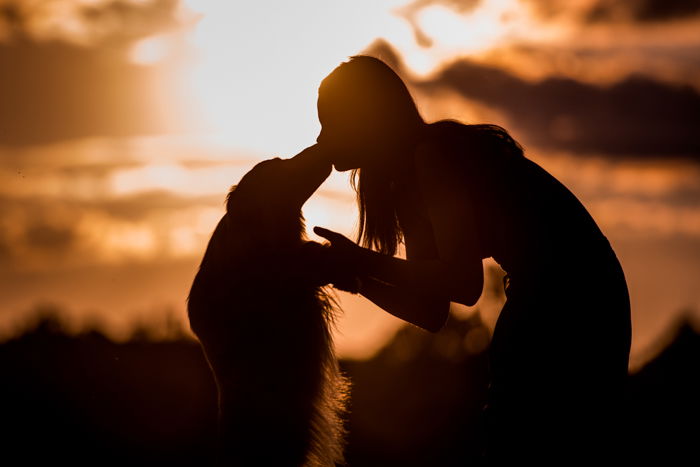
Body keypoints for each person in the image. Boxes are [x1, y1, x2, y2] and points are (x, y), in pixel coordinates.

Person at [311, 56, 632, 465]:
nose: (322, 138)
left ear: (365, 119)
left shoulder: (431, 157)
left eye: (330, 122)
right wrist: (357, 278)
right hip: (557, 290)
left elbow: (463, 284)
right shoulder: (406, 177)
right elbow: (430, 310)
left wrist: (361, 261)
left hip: (577, 294)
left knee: (529, 434)